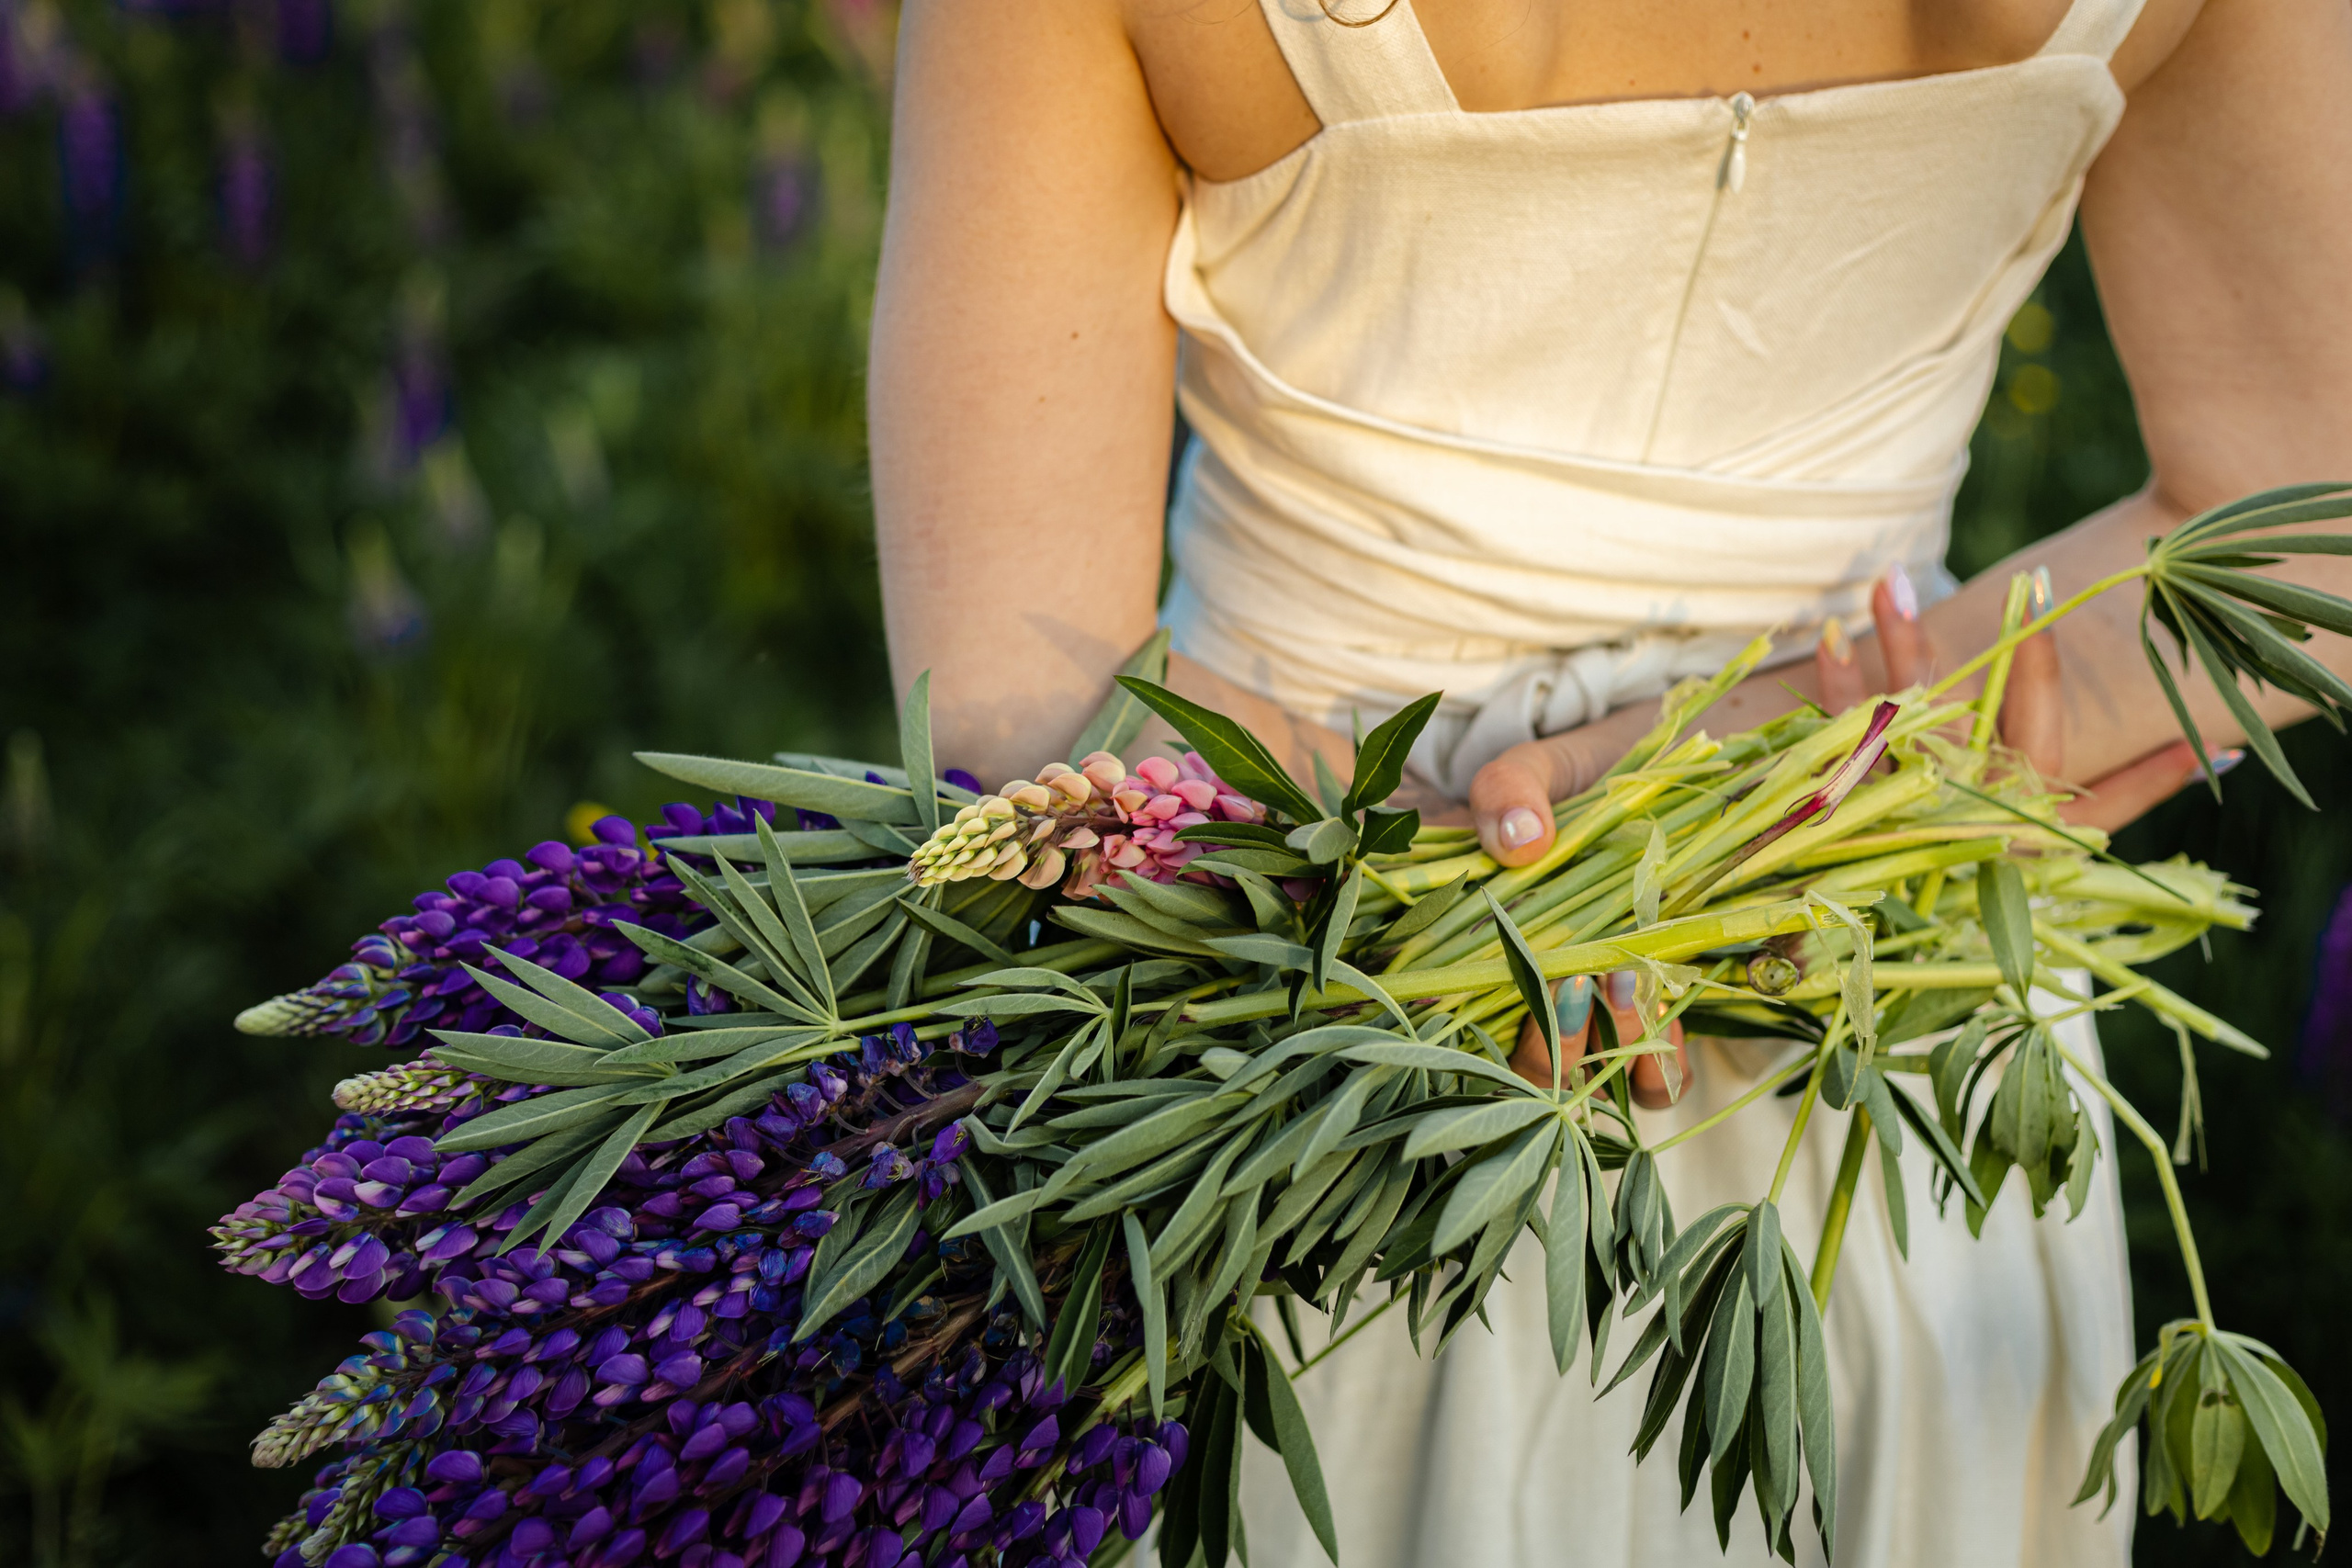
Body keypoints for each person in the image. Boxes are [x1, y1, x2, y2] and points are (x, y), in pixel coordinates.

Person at [867, 1, 2352, 1562]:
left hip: (1304, 1056)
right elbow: (2311, 515)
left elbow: (1017, 713)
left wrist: (1494, 856)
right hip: (1883, 1022)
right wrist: (1814, 747)